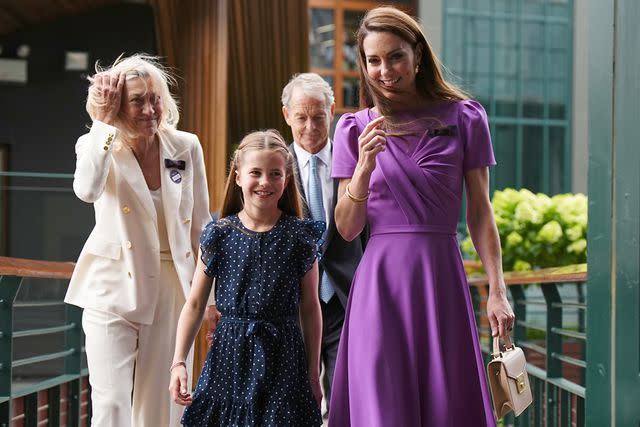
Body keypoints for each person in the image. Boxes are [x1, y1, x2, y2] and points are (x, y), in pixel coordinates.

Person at [328, 7, 515, 426]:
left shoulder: (466, 117)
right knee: (383, 407)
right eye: (373, 61)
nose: (384, 71)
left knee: (445, 404)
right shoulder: (353, 129)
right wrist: (363, 168)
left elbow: (481, 213)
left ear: (417, 55)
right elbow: (346, 226)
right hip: (381, 287)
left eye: (394, 57)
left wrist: (498, 290)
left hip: (440, 281)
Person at [65, 54, 216, 426]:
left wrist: (211, 300)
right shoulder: (97, 144)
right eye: (137, 101)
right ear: (117, 105)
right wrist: (101, 125)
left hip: (171, 288)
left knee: (162, 407)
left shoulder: (185, 146)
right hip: (111, 287)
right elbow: (86, 189)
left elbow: (201, 225)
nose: (150, 109)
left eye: (156, 98)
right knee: (112, 404)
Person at [169, 130, 324, 427]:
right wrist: (179, 362)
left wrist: (313, 374)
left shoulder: (300, 236)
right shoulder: (219, 234)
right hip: (229, 358)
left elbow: (310, 307)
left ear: (286, 179)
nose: (265, 182)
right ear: (238, 176)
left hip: (284, 359)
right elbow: (195, 303)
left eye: (275, 174)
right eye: (256, 172)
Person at [281, 73, 365, 416]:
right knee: (297, 399)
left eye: (319, 116)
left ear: (332, 110)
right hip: (296, 303)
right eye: (301, 117)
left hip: (348, 298)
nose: (311, 127)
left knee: (347, 399)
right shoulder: (275, 169)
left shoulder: (357, 162)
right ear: (286, 115)